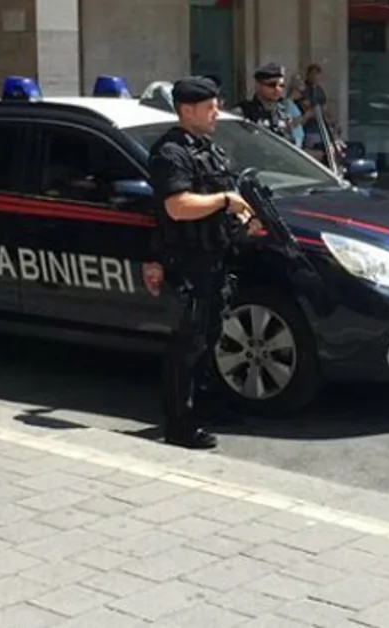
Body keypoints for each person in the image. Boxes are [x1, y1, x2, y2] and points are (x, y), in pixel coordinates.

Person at [144, 76, 260, 450]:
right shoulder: (170, 153)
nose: (216, 113)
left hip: (216, 259)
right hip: (189, 262)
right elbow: (177, 206)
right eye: (210, 107)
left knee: (210, 337)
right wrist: (225, 201)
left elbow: (226, 196)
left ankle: (207, 406)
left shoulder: (209, 149)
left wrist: (244, 217)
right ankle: (179, 424)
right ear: (187, 109)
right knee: (187, 344)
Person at [233, 63, 310, 146]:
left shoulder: (283, 114)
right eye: (271, 85)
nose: (277, 89)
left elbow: (290, 143)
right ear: (258, 86)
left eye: (281, 85)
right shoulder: (244, 112)